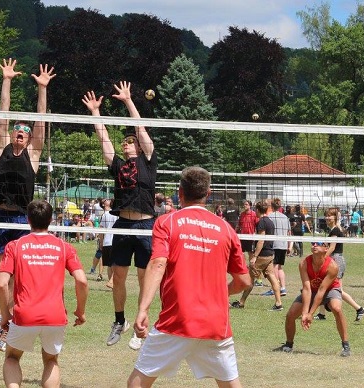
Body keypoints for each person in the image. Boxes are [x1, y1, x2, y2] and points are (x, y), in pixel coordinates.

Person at [128, 167, 250, 387]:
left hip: (177, 319)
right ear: (208, 193)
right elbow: (244, 282)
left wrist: (143, 309)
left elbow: (157, 264)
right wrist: (220, 293)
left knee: (137, 383)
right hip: (215, 322)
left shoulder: (167, 222)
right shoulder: (226, 229)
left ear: (179, 193)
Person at [0, 59, 55, 350]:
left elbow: (41, 121)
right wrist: (7, 80)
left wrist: (42, 88)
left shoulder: (33, 154)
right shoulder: (2, 148)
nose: (21, 132)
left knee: (16, 276)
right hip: (0, 216)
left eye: (25, 130)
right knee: (0, 276)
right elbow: (2, 114)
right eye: (18, 129)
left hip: (21, 222)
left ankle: (10, 326)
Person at [83, 81, 156, 350]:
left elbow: (141, 128)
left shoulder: (148, 161)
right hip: (123, 224)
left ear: (138, 146)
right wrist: (95, 113)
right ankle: (120, 321)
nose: (126, 145)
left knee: (143, 278)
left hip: (146, 225)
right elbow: (104, 141)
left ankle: (140, 325)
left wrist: (127, 101)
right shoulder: (118, 166)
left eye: (130, 142)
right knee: (119, 277)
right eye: (124, 143)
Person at [0, 200, 87, 388]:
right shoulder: (64, 246)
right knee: (51, 360)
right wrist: (80, 310)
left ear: (28, 220)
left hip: (24, 314)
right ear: (51, 219)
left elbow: (1, 284)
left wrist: (5, 314)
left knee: (12, 357)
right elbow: (82, 280)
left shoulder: (15, 246)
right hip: (55, 315)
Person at [276, 241, 351, 357]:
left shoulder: (333, 266)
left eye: (319, 243)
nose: (314, 245)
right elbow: (306, 289)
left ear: (326, 248)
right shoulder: (304, 263)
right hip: (311, 290)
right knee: (291, 314)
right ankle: (288, 345)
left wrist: (311, 314)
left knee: (337, 309)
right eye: (313, 243)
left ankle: (346, 346)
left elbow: (322, 291)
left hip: (330, 290)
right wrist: (305, 312)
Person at [314, 207, 364, 322]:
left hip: (336, 260)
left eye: (330, 215)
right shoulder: (334, 229)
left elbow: (332, 248)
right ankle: (321, 314)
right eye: (326, 215)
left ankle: (359, 309)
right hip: (334, 259)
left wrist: (321, 258)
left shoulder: (335, 230)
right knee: (323, 286)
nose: (327, 217)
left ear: (335, 217)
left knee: (337, 290)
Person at [231, 200, 284, 310]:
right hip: (270, 254)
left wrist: (255, 256)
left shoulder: (262, 222)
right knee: (272, 277)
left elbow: (261, 240)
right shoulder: (270, 221)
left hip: (263, 255)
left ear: (258, 210)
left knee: (249, 279)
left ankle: (241, 302)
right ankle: (279, 303)